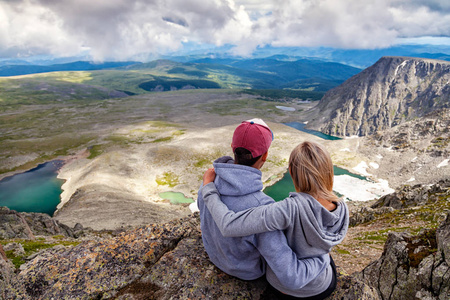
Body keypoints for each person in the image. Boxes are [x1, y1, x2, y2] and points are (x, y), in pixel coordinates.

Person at [197, 119, 330, 297]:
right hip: (246, 272)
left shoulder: (209, 182)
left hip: (216, 257)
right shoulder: (262, 206)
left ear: (232, 147)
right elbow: (286, 268)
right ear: (265, 155)